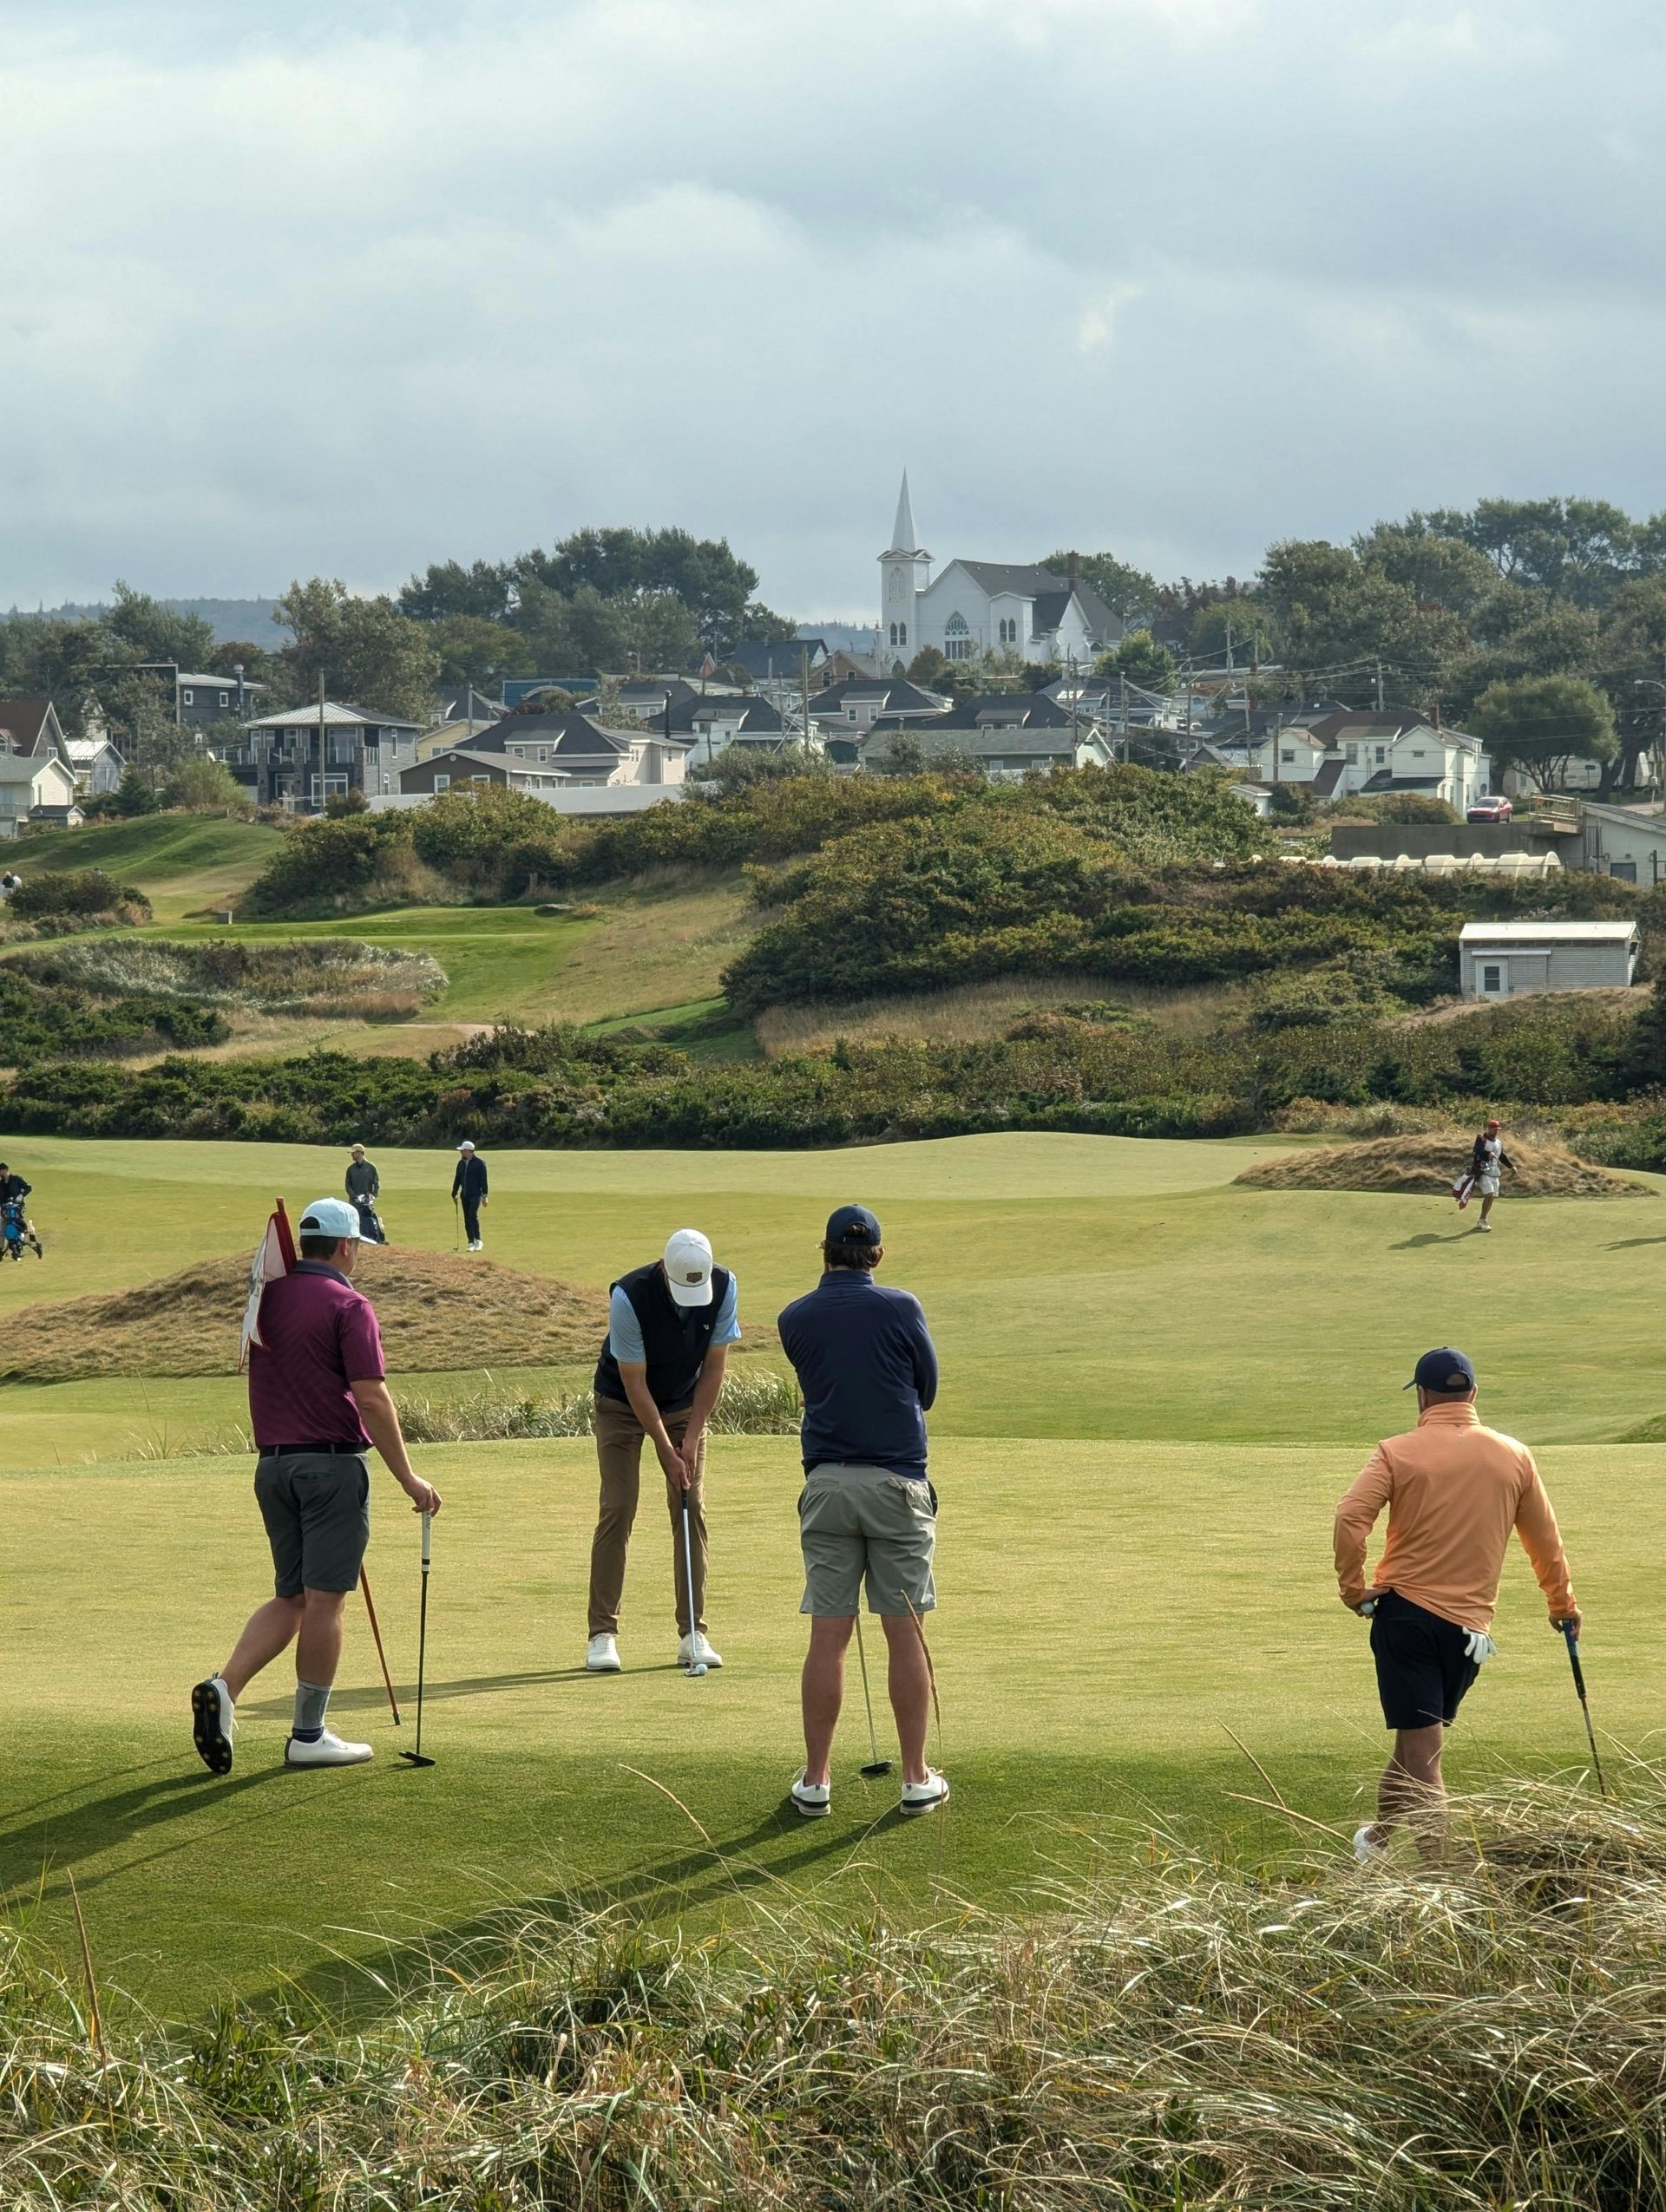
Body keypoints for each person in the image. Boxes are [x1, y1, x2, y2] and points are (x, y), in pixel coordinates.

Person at [191, 1197, 442, 1774]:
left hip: (273, 1467)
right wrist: (409, 1479)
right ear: (347, 1246)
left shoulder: (266, 1297)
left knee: (294, 1598)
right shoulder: (350, 1304)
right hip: (330, 1468)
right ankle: (308, 1735)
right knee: (326, 1601)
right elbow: (373, 1398)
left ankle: (224, 1689)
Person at [1334, 1345, 1578, 1864]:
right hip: (1471, 1636)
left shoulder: (1396, 1450)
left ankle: (1443, 1878)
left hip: (1406, 1619)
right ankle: (1374, 1844)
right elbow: (1544, 1540)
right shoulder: (1514, 1454)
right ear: (1473, 1393)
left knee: (1422, 1753)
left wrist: (1353, 1590)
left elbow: (1351, 1517)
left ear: (1421, 1395)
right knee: (1418, 1747)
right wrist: (1562, 1604)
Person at [777, 1204, 949, 1820]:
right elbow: (925, 1389)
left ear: (824, 1251)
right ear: (876, 1254)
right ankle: (915, 1777)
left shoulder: (793, 1316)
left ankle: (816, 1782)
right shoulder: (901, 1306)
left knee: (829, 1634)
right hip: (897, 1482)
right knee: (903, 1630)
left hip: (825, 1484)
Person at [586, 1227, 738, 1673]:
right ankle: (602, 1635)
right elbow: (634, 1382)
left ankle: (693, 1633)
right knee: (619, 1506)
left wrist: (690, 1439)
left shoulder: (725, 1286)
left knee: (691, 1507)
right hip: (620, 1404)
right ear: (663, 1269)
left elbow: (714, 1368)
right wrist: (666, 1448)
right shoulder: (629, 1296)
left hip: (685, 1404)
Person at [1453, 1117, 1512, 1231]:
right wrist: (1487, 1153)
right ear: (1489, 1129)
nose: (1496, 1131)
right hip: (1482, 1172)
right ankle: (1483, 1220)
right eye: (1494, 1129)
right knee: (1489, 1194)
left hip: (1494, 1172)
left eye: (1497, 1129)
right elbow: (1477, 1151)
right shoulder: (1481, 1139)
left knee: (1492, 1197)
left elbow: (1501, 1156)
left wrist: (1511, 1167)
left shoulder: (1499, 1142)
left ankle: (1482, 1219)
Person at [451, 1140, 488, 1251]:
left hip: (476, 1194)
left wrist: (485, 1196)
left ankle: (478, 1241)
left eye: (463, 1150)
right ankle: (470, 1242)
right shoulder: (461, 1163)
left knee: (472, 1215)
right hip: (465, 1195)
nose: (461, 1152)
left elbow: (483, 1181)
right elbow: (457, 1179)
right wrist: (454, 1193)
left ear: (469, 1151)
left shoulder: (480, 1163)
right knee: (467, 1218)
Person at [344, 1143, 385, 1244]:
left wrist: (373, 1195)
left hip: (367, 1202)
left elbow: (376, 1184)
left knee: (371, 1221)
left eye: (353, 1153)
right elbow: (348, 1184)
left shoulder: (371, 1167)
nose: (352, 1155)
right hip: (354, 1203)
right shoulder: (350, 1169)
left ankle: (379, 1239)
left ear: (359, 1153)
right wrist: (353, 1195)